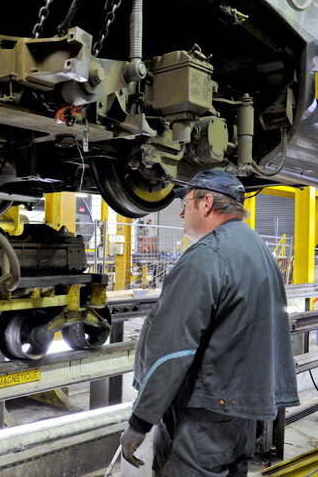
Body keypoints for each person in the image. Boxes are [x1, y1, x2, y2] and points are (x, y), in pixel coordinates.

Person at [120, 170, 299, 476]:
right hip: (242, 415)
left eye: (186, 203)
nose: (180, 212)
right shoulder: (260, 251)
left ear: (206, 204)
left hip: (201, 419)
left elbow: (172, 351)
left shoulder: (206, 257)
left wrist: (140, 421)